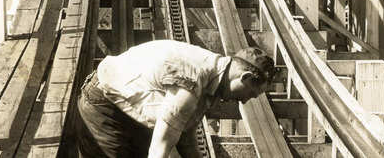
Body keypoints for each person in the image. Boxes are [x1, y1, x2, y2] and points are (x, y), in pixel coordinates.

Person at [76, 39, 276, 158]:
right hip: (105, 109)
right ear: (246, 78)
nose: (245, 101)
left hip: (128, 113)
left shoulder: (213, 77)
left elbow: (184, 133)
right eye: (251, 94)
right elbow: (160, 148)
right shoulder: (192, 79)